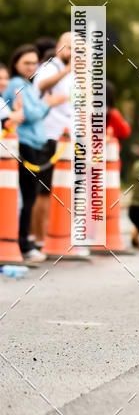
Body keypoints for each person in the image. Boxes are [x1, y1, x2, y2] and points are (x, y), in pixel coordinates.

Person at [3, 45, 67, 261]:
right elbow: (30, 114)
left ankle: (24, 240)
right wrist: (48, 104)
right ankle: (22, 242)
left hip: (34, 145)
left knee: (28, 196)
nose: (31, 67)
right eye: (26, 63)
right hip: (24, 144)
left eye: (33, 63)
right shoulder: (16, 84)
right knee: (27, 196)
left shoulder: (27, 85)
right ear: (16, 64)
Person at [31, 33, 72, 247]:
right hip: (49, 136)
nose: (74, 53)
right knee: (44, 190)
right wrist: (67, 69)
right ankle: (38, 238)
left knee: (62, 189)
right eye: (69, 48)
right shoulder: (52, 67)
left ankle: (56, 235)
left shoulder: (74, 74)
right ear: (59, 47)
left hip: (67, 137)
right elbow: (40, 85)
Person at [0, 63, 25, 128]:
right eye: (0, 78)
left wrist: (16, 109)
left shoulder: (1, 101)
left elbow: (10, 126)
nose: (3, 82)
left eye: (6, 78)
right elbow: (17, 118)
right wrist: (19, 107)